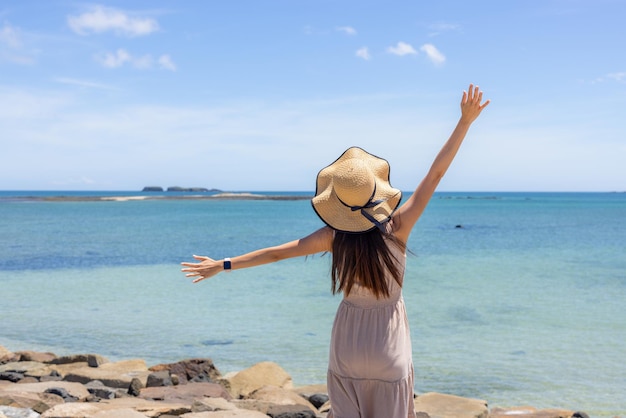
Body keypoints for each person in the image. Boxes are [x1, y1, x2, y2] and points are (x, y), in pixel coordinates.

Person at [181, 84, 489, 418]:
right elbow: (435, 174)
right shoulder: (398, 227)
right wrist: (464, 123)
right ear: (376, 191)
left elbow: (274, 254)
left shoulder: (332, 236)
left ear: (337, 202)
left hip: (348, 343)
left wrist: (222, 265)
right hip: (389, 344)